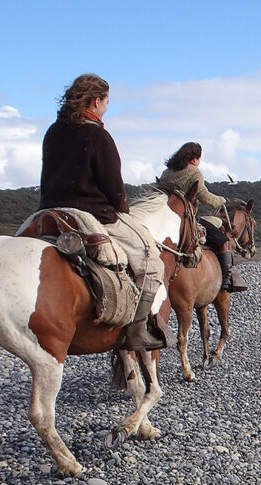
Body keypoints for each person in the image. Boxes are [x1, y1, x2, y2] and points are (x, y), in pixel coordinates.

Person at [40, 73, 174, 351]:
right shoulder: (98, 135)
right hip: (93, 213)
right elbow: (114, 187)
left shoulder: (53, 132)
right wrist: (122, 210)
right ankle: (138, 331)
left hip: (50, 211)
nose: (107, 107)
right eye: (107, 102)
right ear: (97, 100)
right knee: (152, 261)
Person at [158, 142, 246, 292]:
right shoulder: (193, 172)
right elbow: (204, 196)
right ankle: (226, 282)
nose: (199, 163)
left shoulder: (166, 172)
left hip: (163, 217)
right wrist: (221, 200)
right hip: (186, 218)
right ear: (194, 159)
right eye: (199, 159)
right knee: (223, 241)